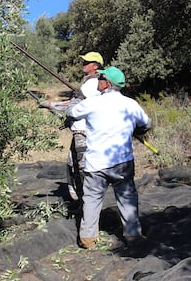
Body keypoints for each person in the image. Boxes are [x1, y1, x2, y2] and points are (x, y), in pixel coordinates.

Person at [65, 66, 151, 249]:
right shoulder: (131, 104)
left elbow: (71, 113)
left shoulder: (93, 103)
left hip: (96, 164)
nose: (97, 81)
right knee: (127, 198)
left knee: (91, 200)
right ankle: (133, 235)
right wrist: (136, 129)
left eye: (100, 78)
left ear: (106, 84)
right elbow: (146, 124)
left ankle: (88, 239)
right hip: (123, 162)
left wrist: (77, 99)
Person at [40, 52, 104, 202]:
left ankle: (87, 203)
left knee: (82, 169)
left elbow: (74, 105)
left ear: (95, 66)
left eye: (87, 62)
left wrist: (51, 105)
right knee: (72, 165)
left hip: (84, 133)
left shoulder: (92, 84)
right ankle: (81, 201)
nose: (84, 64)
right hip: (79, 131)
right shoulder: (91, 83)